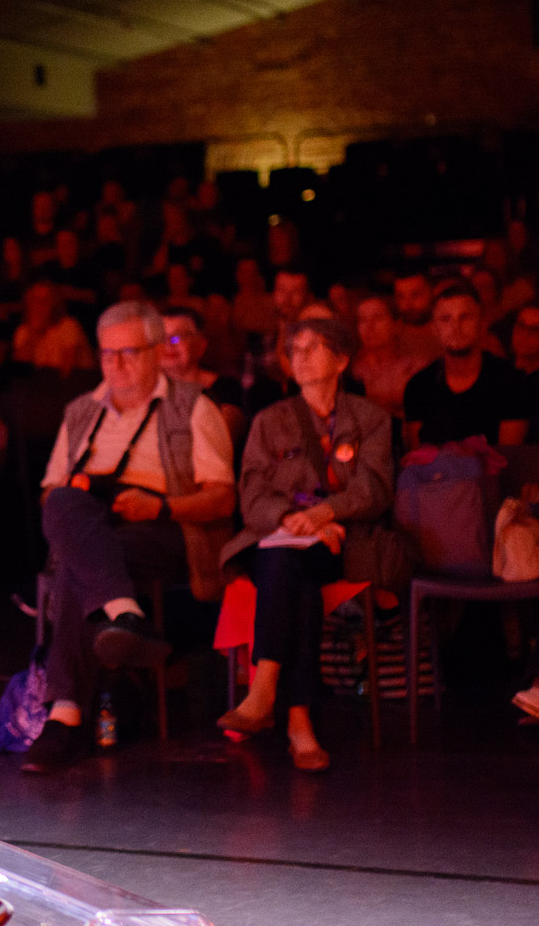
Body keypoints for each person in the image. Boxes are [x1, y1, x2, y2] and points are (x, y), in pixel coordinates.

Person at [22, 302, 235, 773]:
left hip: (166, 528)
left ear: (158, 352)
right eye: (106, 354)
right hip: (97, 529)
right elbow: (47, 494)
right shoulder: (81, 411)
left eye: (129, 353)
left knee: (81, 564)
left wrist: (158, 505)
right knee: (63, 503)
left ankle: (64, 719)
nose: (115, 365)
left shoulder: (193, 407)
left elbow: (222, 498)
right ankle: (124, 616)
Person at [217, 318, 398, 773]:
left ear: (341, 359)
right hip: (280, 537)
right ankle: (299, 723)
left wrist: (324, 515)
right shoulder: (269, 421)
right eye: (293, 350)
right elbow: (252, 494)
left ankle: (264, 692)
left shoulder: (370, 419)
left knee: (288, 566)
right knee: (291, 574)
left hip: (341, 540)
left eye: (311, 349)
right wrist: (287, 520)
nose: (299, 357)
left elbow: (374, 488)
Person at [402, 281, 529, 450]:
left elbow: (510, 458)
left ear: (482, 324)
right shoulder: (419, 386)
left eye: (465, 317)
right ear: (434, 329)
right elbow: (417, 461)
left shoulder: (511, 382)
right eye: (446, 319)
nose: (456, 327)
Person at [160, 307, 245, 443]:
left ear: (200, 345)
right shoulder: (146, 391)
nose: (169, 344)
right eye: (162, 338)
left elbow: (220, 440)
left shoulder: (226, 388)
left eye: (177, 337)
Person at [350, 293, 426, 421]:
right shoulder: (351, 371)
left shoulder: (417, 368)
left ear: (397, 325)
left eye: (378, 318)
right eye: (362, 320)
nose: (369, 327)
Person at [11, 281, 94, 377]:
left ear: (54, 304)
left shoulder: (68, 326)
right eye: (35, 300)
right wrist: (33, 334)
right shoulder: (23, 331)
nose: (39, 306)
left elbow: (67, 372)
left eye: (45, 301)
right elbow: (20, 372)